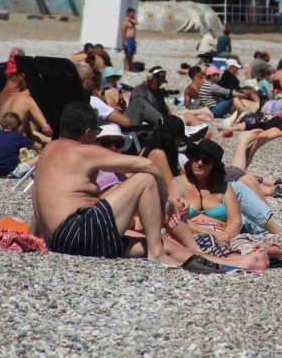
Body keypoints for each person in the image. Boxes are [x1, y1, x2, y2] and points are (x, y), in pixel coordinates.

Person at [30, 102, 259, 272]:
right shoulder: (82, 150)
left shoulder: (48, 152)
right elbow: (147, 165)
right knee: (145, 180)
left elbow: (40, 199)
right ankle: (156, 254)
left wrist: (33, 237)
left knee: (163, 242)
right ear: (89, 133)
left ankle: (232, 264)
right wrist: (168, 200)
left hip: (60, 240)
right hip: (80, 233)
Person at [0, 112, 42, 179]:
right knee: (43, 154)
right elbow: (38, 147)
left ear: (2, 124)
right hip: (11, 172)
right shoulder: (18, 136)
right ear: (18, 125)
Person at [121, 7, 138, 72]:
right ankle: (126, 67)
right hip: (128, 39)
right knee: (128, 54)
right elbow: (123, 31)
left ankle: (130, 67)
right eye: (132, 13)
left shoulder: (132, 20)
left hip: (132, 39)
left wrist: (130, 19)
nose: (133, 14)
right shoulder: (126, 21)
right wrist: (124, 40)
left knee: (131, 54)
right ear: (128, 13)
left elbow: (136, 22)